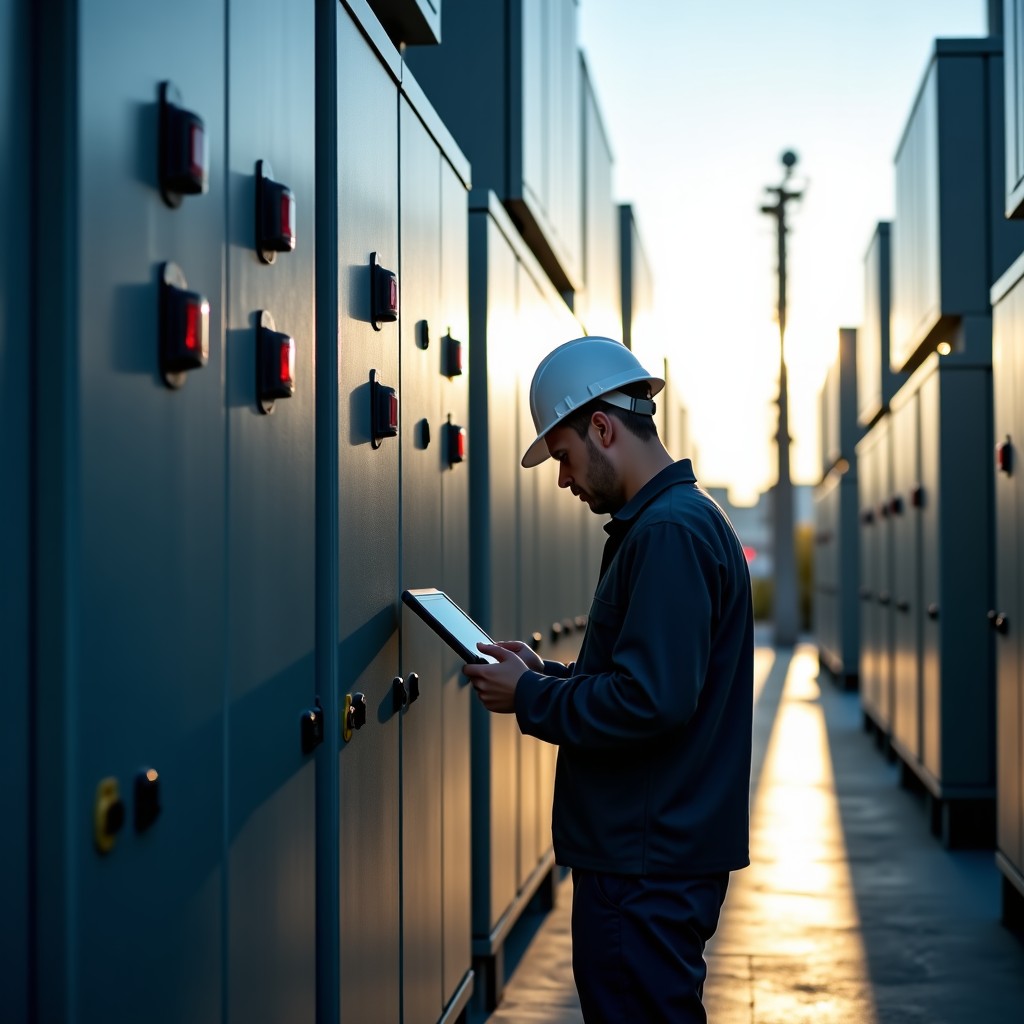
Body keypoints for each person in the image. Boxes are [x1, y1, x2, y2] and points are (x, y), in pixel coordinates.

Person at [463, 336, 753, 1023]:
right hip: (656, 852)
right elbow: (649, 680)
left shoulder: (667, 533)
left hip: (645, 865)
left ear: (602, 427)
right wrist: (548, 675)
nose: (563, 479)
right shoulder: (675, 521)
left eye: (562, 455)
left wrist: (530, 697)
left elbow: (650, 702)